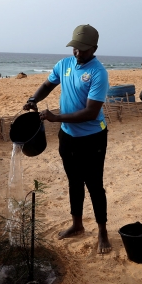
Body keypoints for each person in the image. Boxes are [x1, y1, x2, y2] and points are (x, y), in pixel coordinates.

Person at [22, 24, 111, 254]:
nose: (77, 53)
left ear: (94, 48)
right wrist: (34, 99)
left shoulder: (98, 73)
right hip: (68, 137)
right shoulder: (64, 64)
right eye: (75, 48)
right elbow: (47, 85)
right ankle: (77, 224)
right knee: (74, 181)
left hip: (93, 138)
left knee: (94, 185)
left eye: (82, 49)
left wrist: (56, 117)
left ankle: (102, 231)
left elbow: (91, 112)